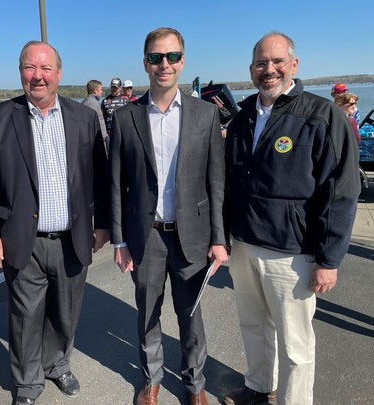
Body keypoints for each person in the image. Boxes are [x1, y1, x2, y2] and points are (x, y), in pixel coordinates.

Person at [223, 32, 360, 405]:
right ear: (251, 70)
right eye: (261, 63)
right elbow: (229, 181)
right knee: (253, 326)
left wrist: (328, 260)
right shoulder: (244, 115)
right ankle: (257, 388)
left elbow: (342, 191)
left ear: (293, 65)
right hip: (244, 245)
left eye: (277, 61)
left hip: (292, 253)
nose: (269, 69)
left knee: (295, 343)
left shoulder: (321, 115)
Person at [0, 40, 109, 405]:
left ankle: (57, 363)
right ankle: (27, 384)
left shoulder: (83, 118)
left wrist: (104, 224)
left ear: (59, 74)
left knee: (66, 312)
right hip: (22, 239)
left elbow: (100, 175)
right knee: (25, 316)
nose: (38, 76)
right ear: (21, 72)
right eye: (30, 68)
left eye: (45, 68)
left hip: (72, 238)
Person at [109, 27, 227, 405]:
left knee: (190, 316)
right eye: (157, 57)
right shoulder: (126, 117)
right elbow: (115, 183)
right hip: (147, 235)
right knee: (148, 314)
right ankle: (151, 380)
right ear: (145, 63)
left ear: (183, 61)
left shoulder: (206, 114)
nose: (165, 65)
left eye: (172, 57)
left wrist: (219, 238)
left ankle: (195, 385)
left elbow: (216, 183)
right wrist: (120, 239)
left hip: (192, 233)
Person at [101, 77, 129, 142]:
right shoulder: (105, 101)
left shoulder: (126, 99)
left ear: (120, 88)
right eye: (112, 87)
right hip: (110, 134)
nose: (113, 89)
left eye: (115, 88)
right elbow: (102, 118)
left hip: (124, 133)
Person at [81, 79, 107, 146]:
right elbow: (95, 121)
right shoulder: (91, 103)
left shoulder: (89, 101)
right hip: (96, 139)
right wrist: (103, 136)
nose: (102, 91)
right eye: (101, 89)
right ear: (95, 91)